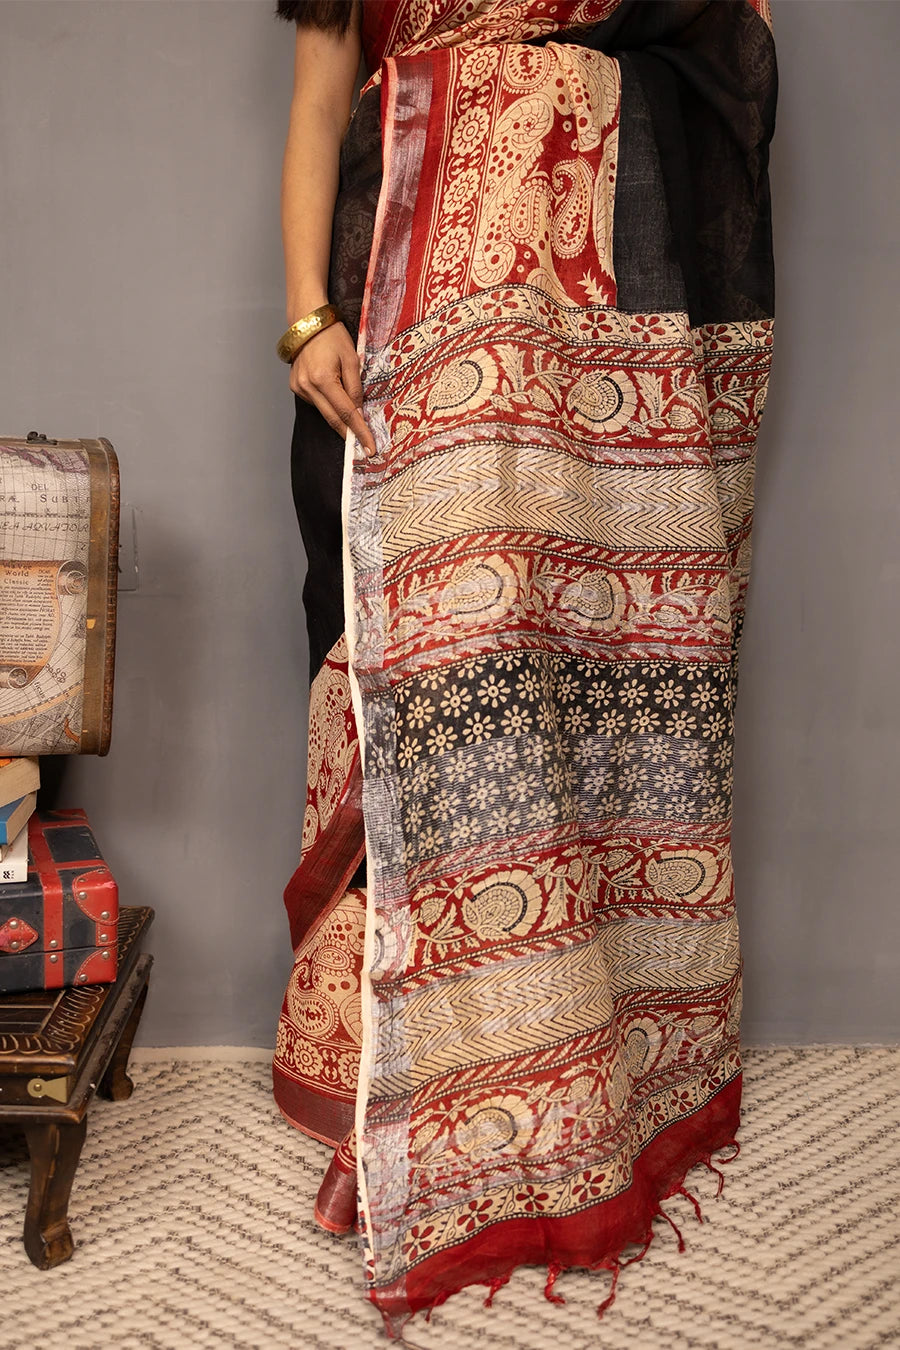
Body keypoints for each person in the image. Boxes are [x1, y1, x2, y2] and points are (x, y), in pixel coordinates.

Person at [271, 0, 776, 1337]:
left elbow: (729, 40)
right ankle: (417, 1099)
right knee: (421, 696)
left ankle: (574, 1075)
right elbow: (322, 101)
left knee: (566, 684)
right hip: (402, 319)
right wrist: (304, 312)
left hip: (580, 347)